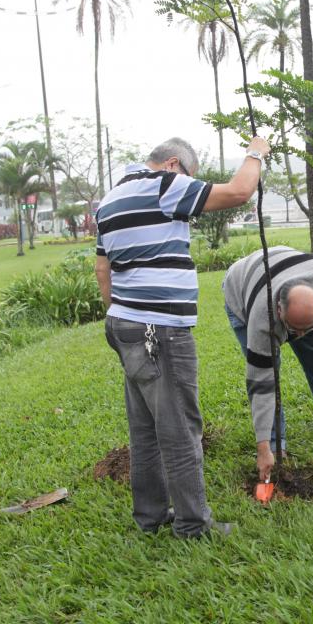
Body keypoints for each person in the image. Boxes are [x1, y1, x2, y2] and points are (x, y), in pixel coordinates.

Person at [95, 135, 270, 538]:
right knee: (179, 429)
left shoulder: (110, 198)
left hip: (123, 325)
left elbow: (103, 270)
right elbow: (240, 191)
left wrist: (124, 315)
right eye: (191, 179)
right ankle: (193, 525)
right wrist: (256, 151)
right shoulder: (164, 185)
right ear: (174, 165)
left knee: (145, 431)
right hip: (161, 331)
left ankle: (150, 517)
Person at [222, 245, 313, 481]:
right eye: (293, 329)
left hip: (288, 277)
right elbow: (261, 384)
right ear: (279, 309)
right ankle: (276, 442)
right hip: (241, 288)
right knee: (270, 371)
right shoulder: (262, 322)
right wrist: (263, 449)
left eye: (305, 326)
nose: (298, 335)